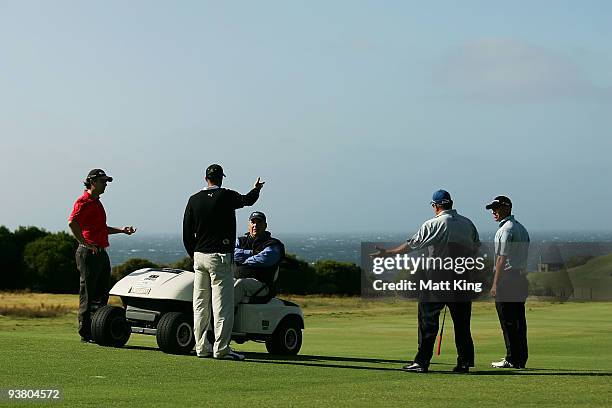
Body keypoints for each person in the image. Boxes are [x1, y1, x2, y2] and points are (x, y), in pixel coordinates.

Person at [372, 190, 480, 373]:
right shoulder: (468, 223)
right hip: (462, 278)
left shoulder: (432, 224)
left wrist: (387, 253)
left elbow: (412, 245)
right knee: (462, 324)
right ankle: (464, 363)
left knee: (427, 322)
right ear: (451, 203)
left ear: (435, 206)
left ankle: (421, 362)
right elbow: (476, 247)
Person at [183, 164, 264, 360]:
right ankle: (221, 349)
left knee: (200, 305)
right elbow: (248, 200)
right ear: (221, 178)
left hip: (199, 257)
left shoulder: (193, 200)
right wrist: (257, 189)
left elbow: (187, 233)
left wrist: (193, 254)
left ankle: (202, 347)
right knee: (222, 305)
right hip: (219, 257)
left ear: (205, 178)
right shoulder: (227, 196)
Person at [68, 169, 136, 343]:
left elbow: (101, 229)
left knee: (102, 292)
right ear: (93, 182)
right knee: (88, 294)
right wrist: (83, 242)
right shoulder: (83, 201)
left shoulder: (97, 203)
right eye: (103, 181)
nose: (105, 184)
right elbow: (72, 222)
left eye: (106, 181)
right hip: (88, 253)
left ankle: (97, 328)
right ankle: (86, 333)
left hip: (100, 252)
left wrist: (121, 230)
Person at [486, 195, 530, 369]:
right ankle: (520, 358)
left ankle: (512, 358)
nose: (494, 212)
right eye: (493, 209)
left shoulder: (505, 230)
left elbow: (501, 259)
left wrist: (495, 283)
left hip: (508, 278)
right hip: (520, 278)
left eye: (497, 208)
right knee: (519, 319)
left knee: (508, 320)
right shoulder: (521, 228)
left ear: (507, 207)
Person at [234, 211, 285, 306]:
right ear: (249, 225)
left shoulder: (273, 244)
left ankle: (224, 319)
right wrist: (252, 253)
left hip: (262, 285)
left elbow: (265, 258)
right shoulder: (240, 241)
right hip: (237, 278)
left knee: (240, 284)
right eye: (253, 222)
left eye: (259, 222)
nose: (255, 225)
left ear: (265, 225)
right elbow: (231, 253)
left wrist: (242, 260)